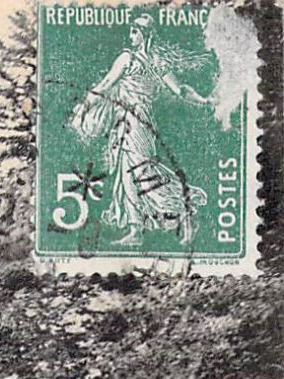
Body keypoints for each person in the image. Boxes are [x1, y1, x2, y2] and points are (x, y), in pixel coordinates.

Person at [68, 11, 213, 245]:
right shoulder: (157, 63)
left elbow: (104, 85)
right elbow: (182, 90)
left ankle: (184, 209)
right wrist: (204, 100)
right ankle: (136, 230)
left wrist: (82, 108)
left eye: (134, 32)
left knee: (141, 173)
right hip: (132, 121)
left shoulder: (129, 59)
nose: (130, 36)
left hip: (134, 121)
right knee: (128, 175)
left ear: (144, 35)